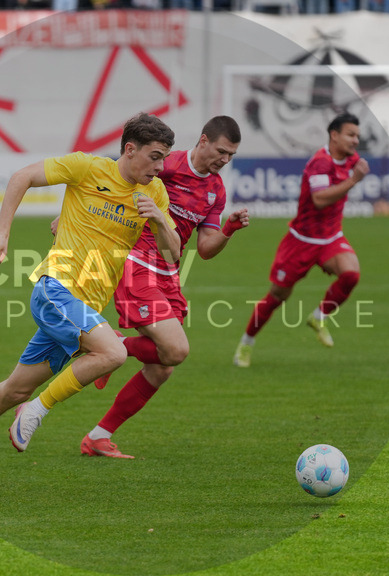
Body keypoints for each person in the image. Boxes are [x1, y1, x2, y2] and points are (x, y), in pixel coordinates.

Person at [0, 113, 180, 491]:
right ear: (130, 149)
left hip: (84, 309)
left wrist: (159, 220)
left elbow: (172, 254)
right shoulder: (86, 168)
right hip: (56, 289)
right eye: (155, 157)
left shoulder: (155, 194)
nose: (160, 167)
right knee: (113, 353)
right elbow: (22, 176)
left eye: (164, 159)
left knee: (14, 390)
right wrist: (2, 232)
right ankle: (36, 411)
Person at [74, 116, 248, 459]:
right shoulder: (165, 164)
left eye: (231, 155)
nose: (225, 160)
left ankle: (98, 436)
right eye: (221, 151)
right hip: (136, 262)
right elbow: (114, 178)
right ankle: (110, 345)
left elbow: (206, 248)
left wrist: (228, 230)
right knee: (176, 350)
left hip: (169, 271)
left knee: (163, 365)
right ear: (203, 141)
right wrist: (75, 214)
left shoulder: (216, 190)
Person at [233, 112, 368, 367]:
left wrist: (355, 173)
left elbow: (354, 169)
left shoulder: (352, 159)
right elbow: (319, 200)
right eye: (351, 135)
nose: (356, 141)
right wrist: (353, 180)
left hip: (331, 238)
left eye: (357, 136)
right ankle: (246, 343)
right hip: (300, 242)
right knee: (277, 296)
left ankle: (319, 317)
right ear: (334, 135)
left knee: (351, 274)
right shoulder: (320, 163)